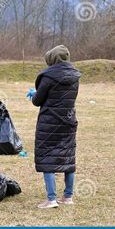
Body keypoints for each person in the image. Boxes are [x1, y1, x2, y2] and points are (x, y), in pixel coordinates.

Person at [27, 45, 81, 208]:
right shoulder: (75, 76)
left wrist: (33, 94)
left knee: (47, 157)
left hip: (50, 123)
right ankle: (68, 196)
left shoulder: (48, 77)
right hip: (68, 121)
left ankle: (51, 199)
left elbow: (38, 101)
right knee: (68, 157)